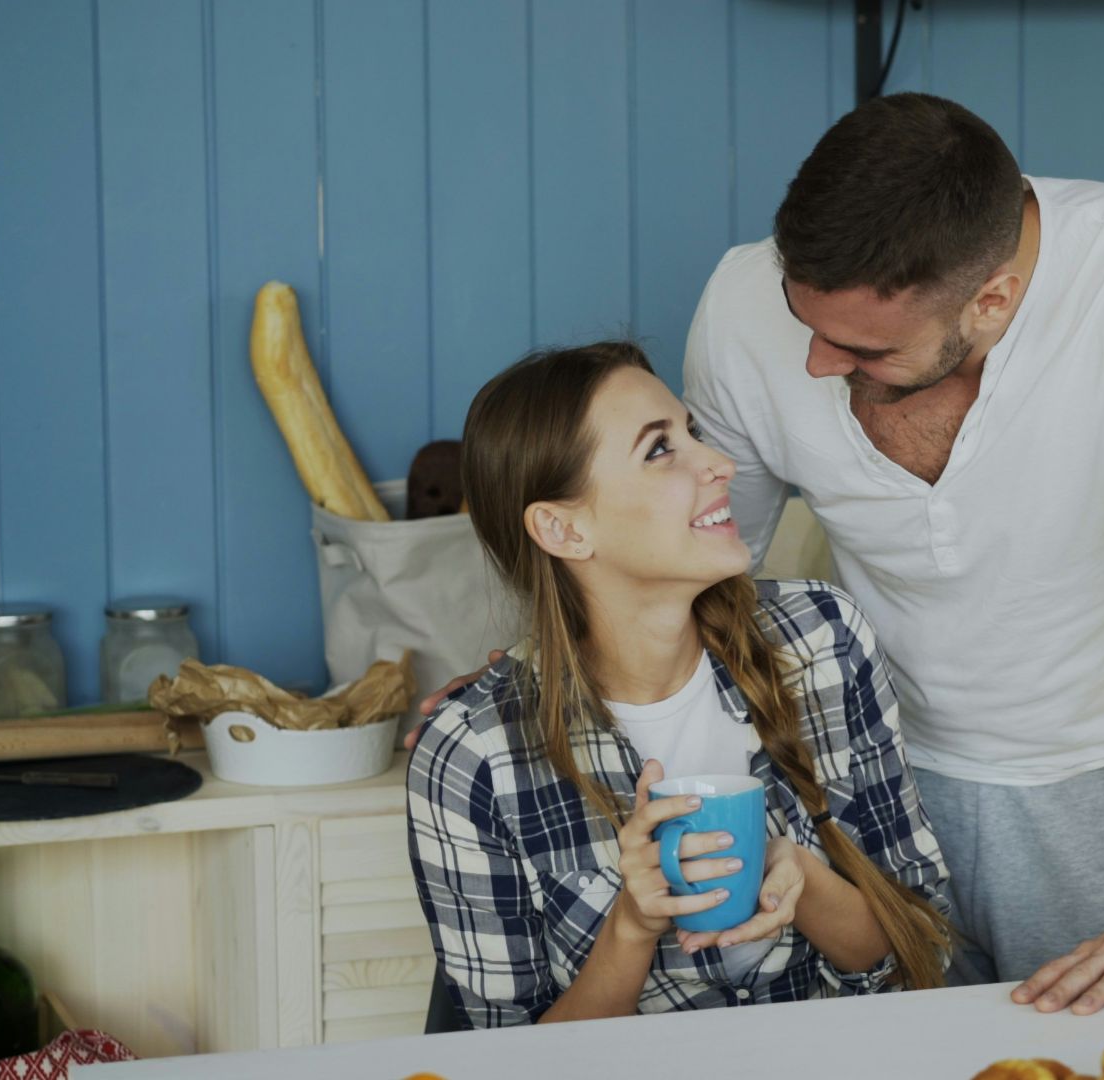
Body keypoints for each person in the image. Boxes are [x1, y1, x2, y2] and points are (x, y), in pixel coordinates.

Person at [680, 93, 1104, 1014]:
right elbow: (706, 566)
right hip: (873, 779)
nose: (810, 363)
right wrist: (542, 671)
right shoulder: (737, 305)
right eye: (802, 320)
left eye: (858, 346)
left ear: (993, 300)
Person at [407, 342, 951, 1026]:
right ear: (562, 528)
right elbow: (507, 1061)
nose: (719, 464)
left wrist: (803, 880)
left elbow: (924, 952)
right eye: (660, 450)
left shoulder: (822, 638)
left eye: (691, 431)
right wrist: (633, 925)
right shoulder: (472, 755)